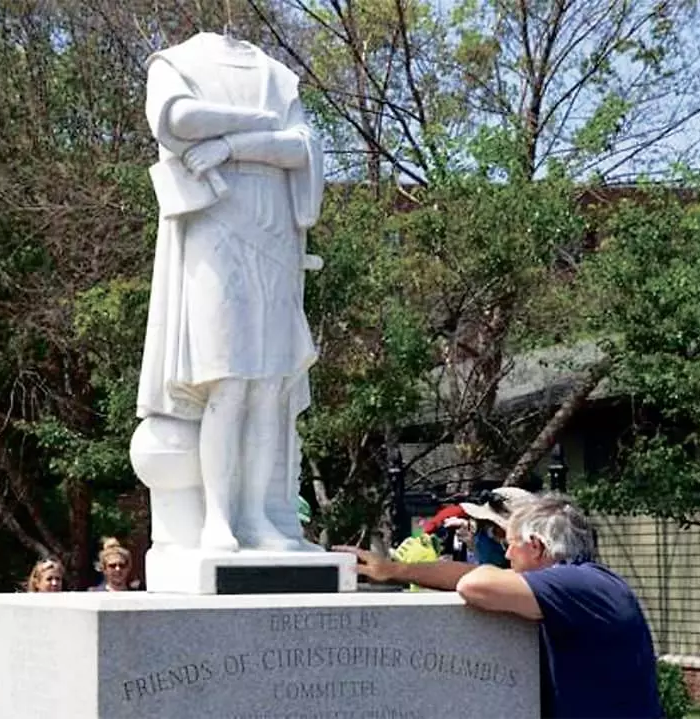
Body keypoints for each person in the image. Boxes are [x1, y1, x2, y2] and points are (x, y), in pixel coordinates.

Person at [136, 31, 324, 552]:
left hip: (276, 229)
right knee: (228, 381)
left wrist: (229, 145)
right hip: (215, 223)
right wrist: (257, 125)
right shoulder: (174, 62)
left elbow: (302, 147)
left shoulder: (275, 74)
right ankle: (217, 518)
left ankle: (257, 516)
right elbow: (177, 121)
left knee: (270, 386)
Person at [335, 493, 662, 719]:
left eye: (509, 544)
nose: (505, 555)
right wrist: (393, 571)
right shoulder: (585, 584)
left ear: (536, 546)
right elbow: (470, 574)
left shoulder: (583, 585)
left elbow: (475, 584)